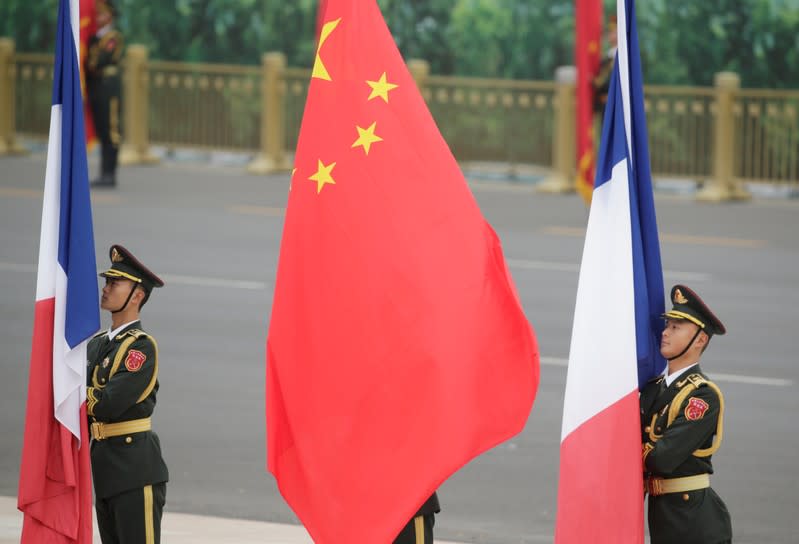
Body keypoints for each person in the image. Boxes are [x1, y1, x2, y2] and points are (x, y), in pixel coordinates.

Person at [87, 245, 169, 543]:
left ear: (137, 295)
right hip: (105, 470)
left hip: (135, 471)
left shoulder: (140, 347)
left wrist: (75, 396)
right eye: (106, 282)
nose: (106, 289)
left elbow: (108, 403)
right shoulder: (97, 344)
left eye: (114, 283)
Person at [640, 285, 732, 544]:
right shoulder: (652, 389)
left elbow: (662, 459)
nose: (665, 333)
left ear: (700, 339)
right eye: (667, 325)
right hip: (664, 516)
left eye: (676, 328)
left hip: (695, 523)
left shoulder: (702, 396)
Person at [86, 0, 123, 188]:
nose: (98, 17)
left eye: (102, 14)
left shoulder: (112, 37)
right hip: (96, 88)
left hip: (108, 90)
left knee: (111, 132)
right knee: (101, 130)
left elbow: (98, 62)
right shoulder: (95, 37)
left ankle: (110, 173)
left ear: (109, 15)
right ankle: (103, 173)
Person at [592, 15, 617, 117]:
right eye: (609, 32)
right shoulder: (608, 56)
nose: (610, 35)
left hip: (615, 102)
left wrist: (596, 81)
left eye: (613, 32)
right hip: (605, 103)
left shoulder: (621, 56)